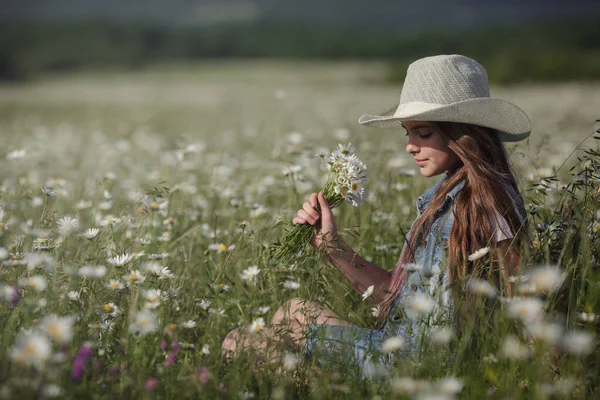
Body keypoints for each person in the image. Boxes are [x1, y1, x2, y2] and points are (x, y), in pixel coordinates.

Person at [221, 54, 530, 370]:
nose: (410, 146)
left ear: (464, 134)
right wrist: (332, 245)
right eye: (407, 133)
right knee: (294, 310)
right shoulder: (439, 201)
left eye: (423, 133)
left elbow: (526, 300)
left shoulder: (486, 205)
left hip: (417, 364)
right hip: (396, 344)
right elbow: (390, 297)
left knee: (239, 342)